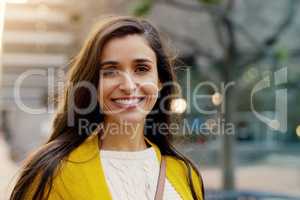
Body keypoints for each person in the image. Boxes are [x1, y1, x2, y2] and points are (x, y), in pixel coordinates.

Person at [9, 15, 204, 200]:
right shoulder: (52, 172)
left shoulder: (185, 173)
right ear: (93, 83)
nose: (128, 85)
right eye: (110, 71)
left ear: (160, 81)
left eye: (141, 69)